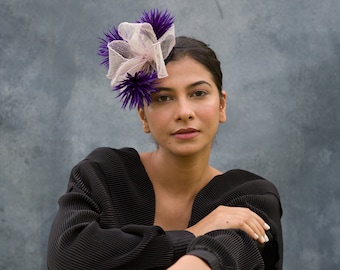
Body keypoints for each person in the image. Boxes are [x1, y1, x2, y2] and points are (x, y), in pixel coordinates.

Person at [47, 9, 283, 270]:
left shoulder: (251, 197)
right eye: (163, 98)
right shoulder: (101, 175)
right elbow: (67, 256)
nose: (184, 112)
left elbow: (220, 252)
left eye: (199, 93)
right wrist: (192, 234)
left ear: (222, 105)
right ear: (143, 116)